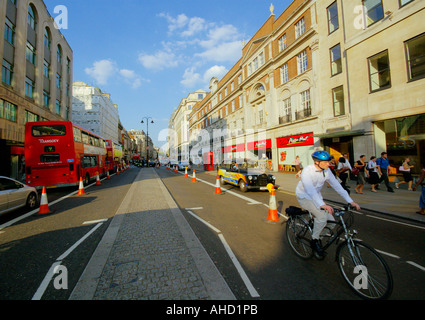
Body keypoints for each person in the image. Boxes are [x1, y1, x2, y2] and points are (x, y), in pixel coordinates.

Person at [296, 151, 361, 257]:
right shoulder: (307, 171)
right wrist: (322, 205)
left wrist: (350, 201)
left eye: (329, 162)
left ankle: (317, 237)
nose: (329, 164)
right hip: (304, 196)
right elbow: (310, 190)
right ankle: (314, 241)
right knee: (321, 217)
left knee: (331, 222)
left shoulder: (326, 171)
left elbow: (337, 186)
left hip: (317, 197)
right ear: (317, 162)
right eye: (326, 162)